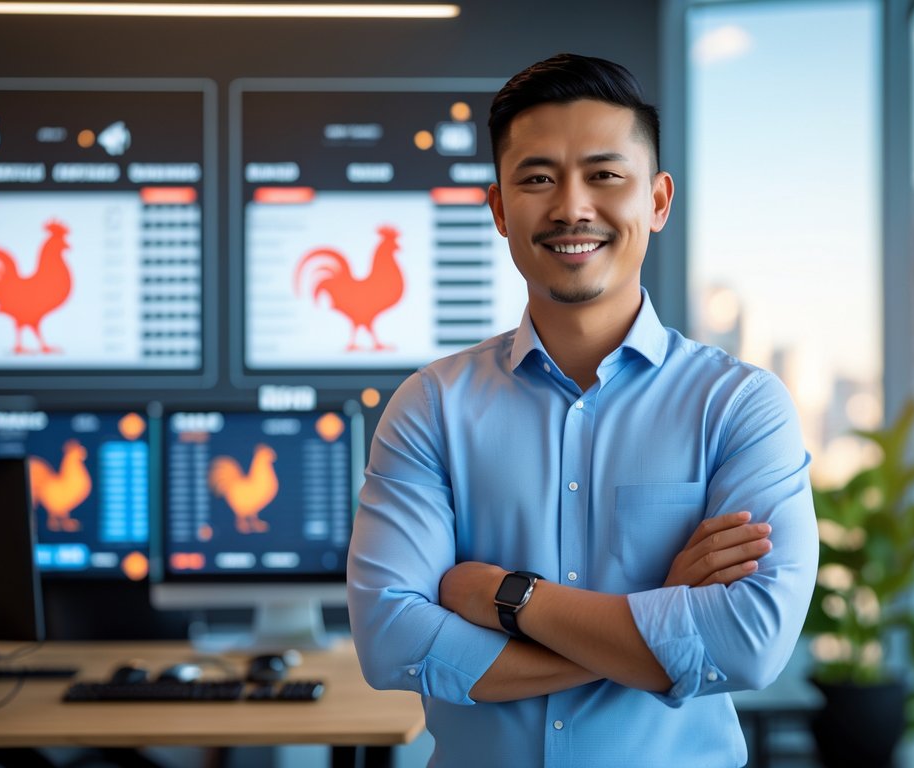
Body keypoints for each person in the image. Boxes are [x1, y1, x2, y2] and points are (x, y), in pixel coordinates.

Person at [347, 53, 818, 767]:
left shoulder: (740, 407)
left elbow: (747, 646)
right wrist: (660, 618)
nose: (571, 207)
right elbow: (391, 642)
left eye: (604, 175)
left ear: (657, 201)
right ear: (500, 208)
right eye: (538, 179)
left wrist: (506, 597)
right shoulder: (431, 408)